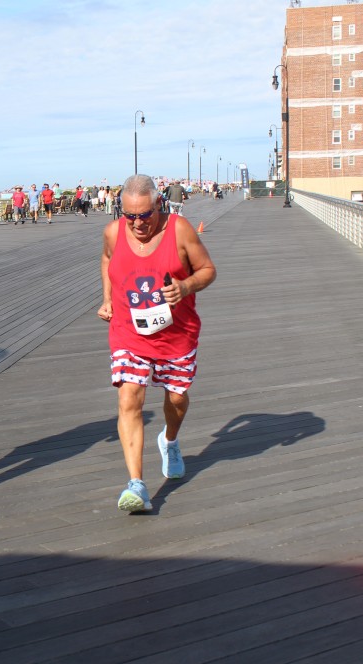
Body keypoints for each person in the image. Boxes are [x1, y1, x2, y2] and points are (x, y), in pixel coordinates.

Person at [97, 174, 216, 513]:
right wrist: (107, 298)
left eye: (144, 215)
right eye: (129, 215)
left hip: (176, 333)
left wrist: (186, 286)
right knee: (129, 398)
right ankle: (136, 484)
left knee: (176, 398)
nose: (137, 223)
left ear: (159, 205)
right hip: (128, 331)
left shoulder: (180, 230)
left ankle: (170, 440)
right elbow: (106, 258)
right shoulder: (113, 232)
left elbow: (208, 269)